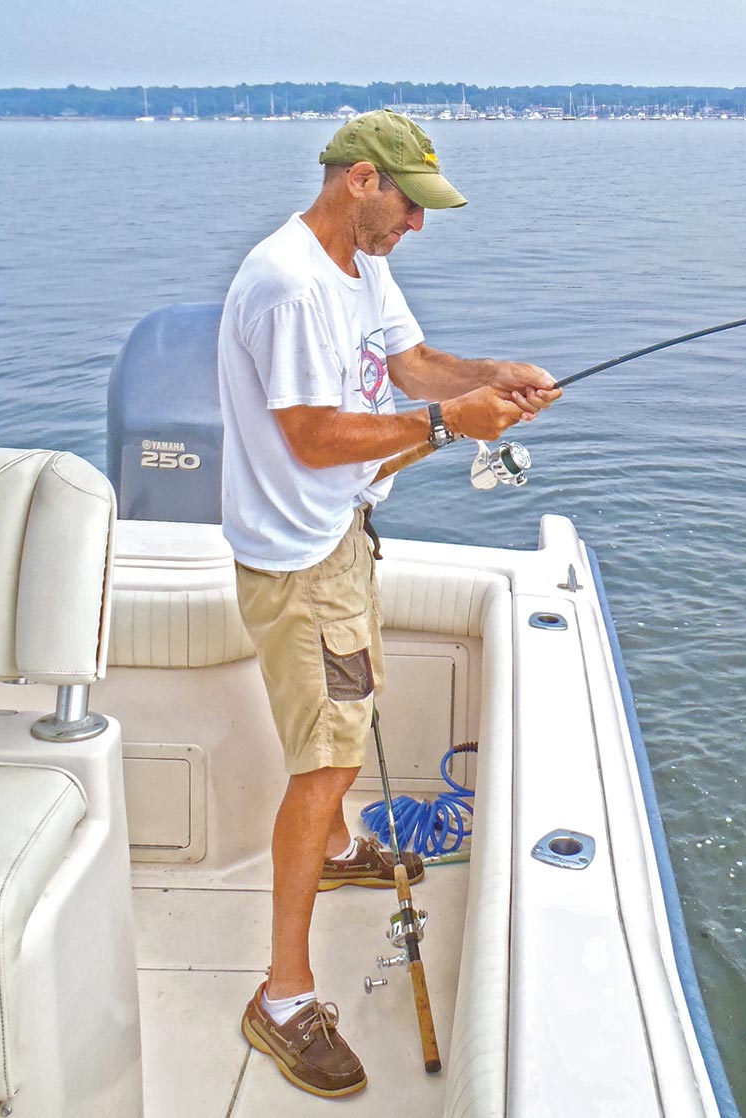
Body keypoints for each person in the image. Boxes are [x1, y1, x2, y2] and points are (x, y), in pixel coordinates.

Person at [217, 109, 559, 1098]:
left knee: (350, 707)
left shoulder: (361, 265)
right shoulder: (285, 285)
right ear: (361, 180)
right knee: (327, 757)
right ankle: (281, 997)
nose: (418, 228)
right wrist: (450, 423)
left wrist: (488, 375)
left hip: (345, 535)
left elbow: (408, 366)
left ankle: (336, 849)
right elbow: (316, 438)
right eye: (410, 207)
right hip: (301, 558)